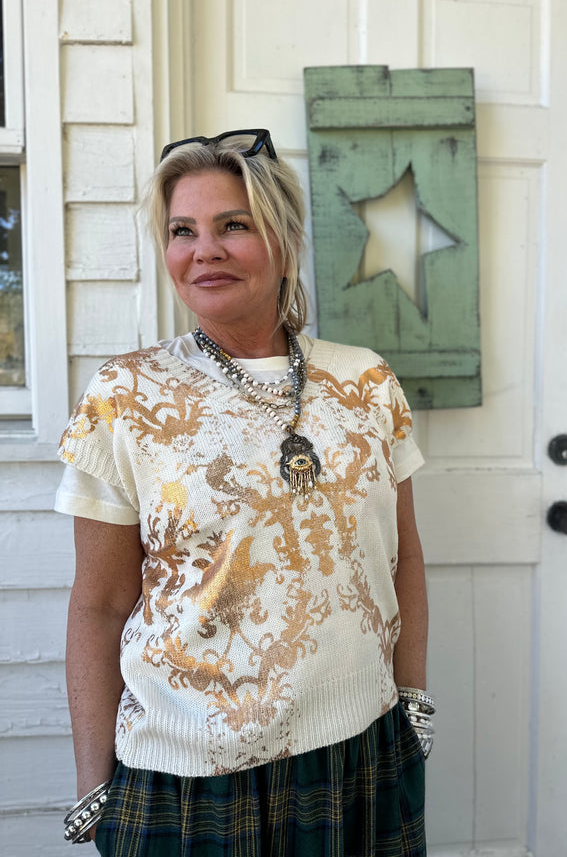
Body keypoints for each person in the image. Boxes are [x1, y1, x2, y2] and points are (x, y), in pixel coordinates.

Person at [56, 129, 433, 856]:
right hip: (190, 774)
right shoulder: (125, 396)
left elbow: (403, 558)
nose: (206, 250)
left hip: (361, 753)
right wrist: (95, 788)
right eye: (182, 231)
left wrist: (413, 704)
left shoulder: (365, 382)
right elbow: (98, 605)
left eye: (235, 225)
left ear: (285, 241)